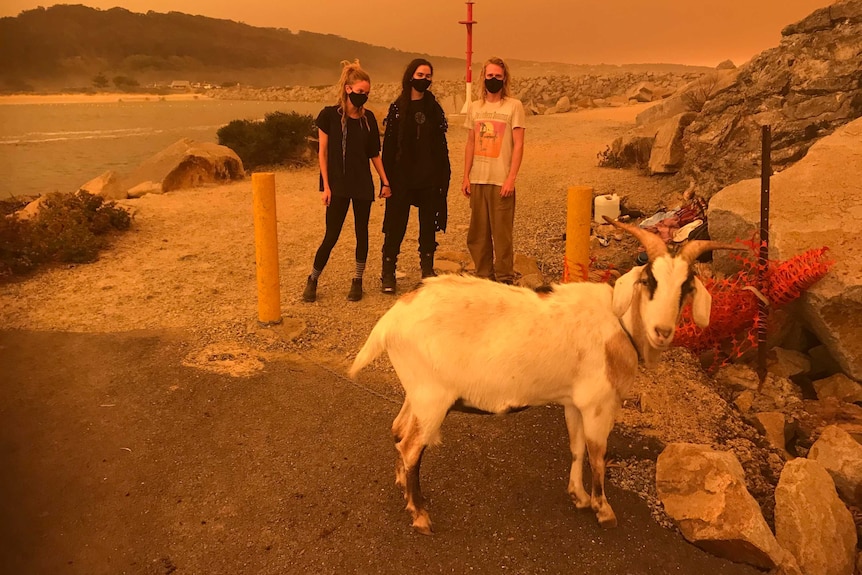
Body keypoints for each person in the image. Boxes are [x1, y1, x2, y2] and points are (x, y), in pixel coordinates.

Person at [303, 60, 390, 303]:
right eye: (360, 92)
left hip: (362, 184)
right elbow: (323, 152)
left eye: (367, 93)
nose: (363, 96)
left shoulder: (368, 119)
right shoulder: (329, 115)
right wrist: (326, 187)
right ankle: (313, 278)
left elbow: (374, 153)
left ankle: (357, 280)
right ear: (348, 89)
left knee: (362, 233)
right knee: (331, 235)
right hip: (338, 185)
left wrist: (385, 181)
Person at [380, 58, 451, 294]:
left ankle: (427, 271)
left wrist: (443, 176)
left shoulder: (434, 109)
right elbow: (388, 148)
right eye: (420, 75)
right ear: (411, 76)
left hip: (429, 177)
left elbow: (441, 144)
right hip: (402, 179)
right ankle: (388, 273)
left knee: (427, 226)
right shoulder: (397, 108)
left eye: (428, 76)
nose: (425, 79)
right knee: (395, 225)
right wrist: (386, 180)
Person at [462, 57, 525, 285]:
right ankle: (483, 277)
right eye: (490, 76)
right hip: (478, 179)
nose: (493, 80)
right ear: (483, 77)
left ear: (504, 78)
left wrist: (511, 178)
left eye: (498, 76)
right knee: (478, 234)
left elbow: (518, 144)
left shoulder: (513, 106)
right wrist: (465, 176)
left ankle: (504, 279)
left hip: (501, 182)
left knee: (502, 236)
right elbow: (470, 142)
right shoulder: (475, 108)